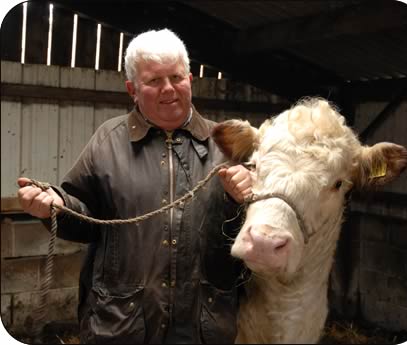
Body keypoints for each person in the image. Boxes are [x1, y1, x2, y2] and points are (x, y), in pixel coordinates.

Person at [17, 28, 252, 344]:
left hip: (204, 326)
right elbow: (84, 219)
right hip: (122, 326)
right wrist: (54, 206)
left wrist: (243, 200)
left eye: (176, 77)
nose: (168, 89)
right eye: (154, 81)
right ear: (132, 89)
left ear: (191, 80)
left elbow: (253, 240)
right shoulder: (108, 141)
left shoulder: (227, 146)